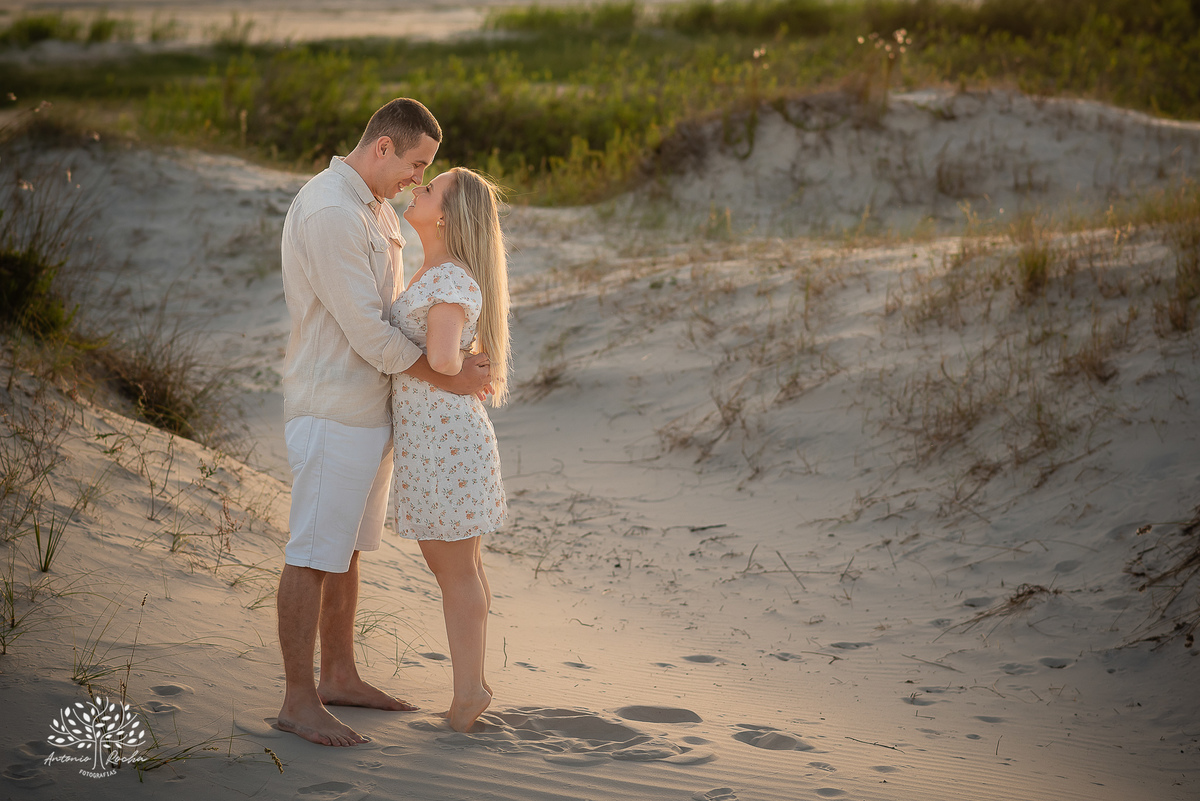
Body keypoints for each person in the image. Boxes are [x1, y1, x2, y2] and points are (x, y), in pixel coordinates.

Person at [276, 99, 491, 747]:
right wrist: (447, 376)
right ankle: (298, 699)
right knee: (314, 550)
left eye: (427, 172)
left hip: (373, 415)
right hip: (334, 408)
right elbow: (371, 333)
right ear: (382, 150)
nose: (417, 180)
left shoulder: (371, 207)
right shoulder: (331, 211)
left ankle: (339, 674)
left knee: (345, 550)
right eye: (416, 165)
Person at [390, 167, 511, 733]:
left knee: (456, 572)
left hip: (444, 445)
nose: (418, 189)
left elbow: (441, 358)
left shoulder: (448, 279)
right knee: (463, 569)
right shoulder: (439, 273)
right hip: (442, 440)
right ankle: (474, 686)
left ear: (445, 215)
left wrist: (452, 364)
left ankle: (468, 695)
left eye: (429, 188)